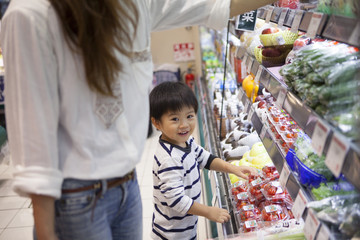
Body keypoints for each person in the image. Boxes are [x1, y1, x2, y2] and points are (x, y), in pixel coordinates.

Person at [0, 0, 276, 239]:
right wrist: (47, 232)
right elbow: (33, 139)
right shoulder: (31, 14)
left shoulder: (132, 5)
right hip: (75, 198)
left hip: (127, 187)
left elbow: (213, 5)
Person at [149, 81, 258, 240]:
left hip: (185, 226)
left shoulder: (186, 141)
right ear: (157, 123)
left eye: (189, 116)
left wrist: (234, 168)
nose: (184, 125)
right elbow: (177, 200)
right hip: (171, 233)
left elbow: (205, 158)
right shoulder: (169, 159)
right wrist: (209, 211)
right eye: (174, 119)